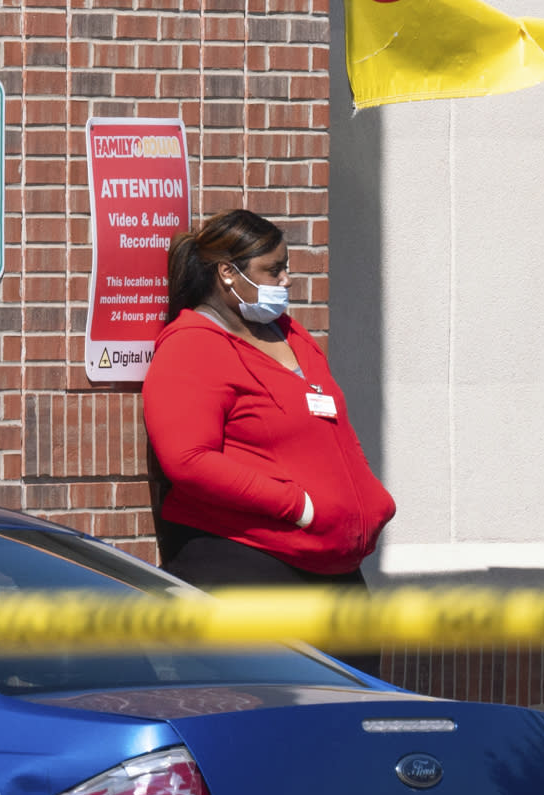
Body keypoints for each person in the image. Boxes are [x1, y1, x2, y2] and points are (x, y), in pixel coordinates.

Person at [141, 209, 396, 585]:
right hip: (253, 561)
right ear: (228, 273)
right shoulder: (191, 346)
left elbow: (333, 425)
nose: (286, 279)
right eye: (273, 269)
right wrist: (299, 507)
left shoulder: (289, 333)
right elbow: (189, 461)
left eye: (286, 267)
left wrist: (372, 499)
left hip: (331, 563)